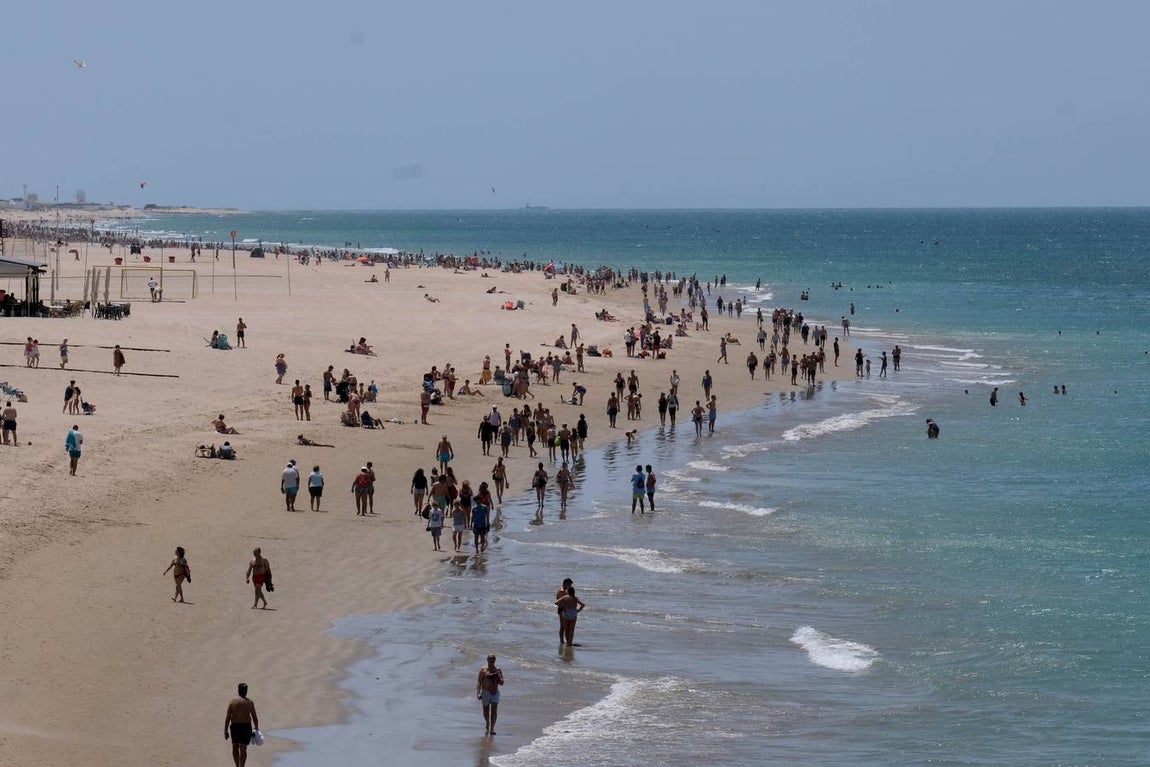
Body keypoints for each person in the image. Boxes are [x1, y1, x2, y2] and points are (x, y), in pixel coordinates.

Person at [224, 682, 260, 767]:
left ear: (238, 691)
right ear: (246, 691)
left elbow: (228, 717)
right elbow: (254, 716)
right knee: (243, 749)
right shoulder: (250, 703)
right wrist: (256, 728)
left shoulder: (232, 702)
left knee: (235, 747)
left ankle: (237, 766)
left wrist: (225, 730)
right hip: (246, 727)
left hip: (235, 727)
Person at [476, 654, 505, 736]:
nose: (492, 660)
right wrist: (478, 693)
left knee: (494, 711)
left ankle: (492, 728)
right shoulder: (483, 669)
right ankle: (487, 723)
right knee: (485, 711)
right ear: (487, 659)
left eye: (493, 658)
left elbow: (502, 682)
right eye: (490, 658)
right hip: (485, 692)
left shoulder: (498, 669)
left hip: (495, 692)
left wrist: (498, 675)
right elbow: (479, 682)